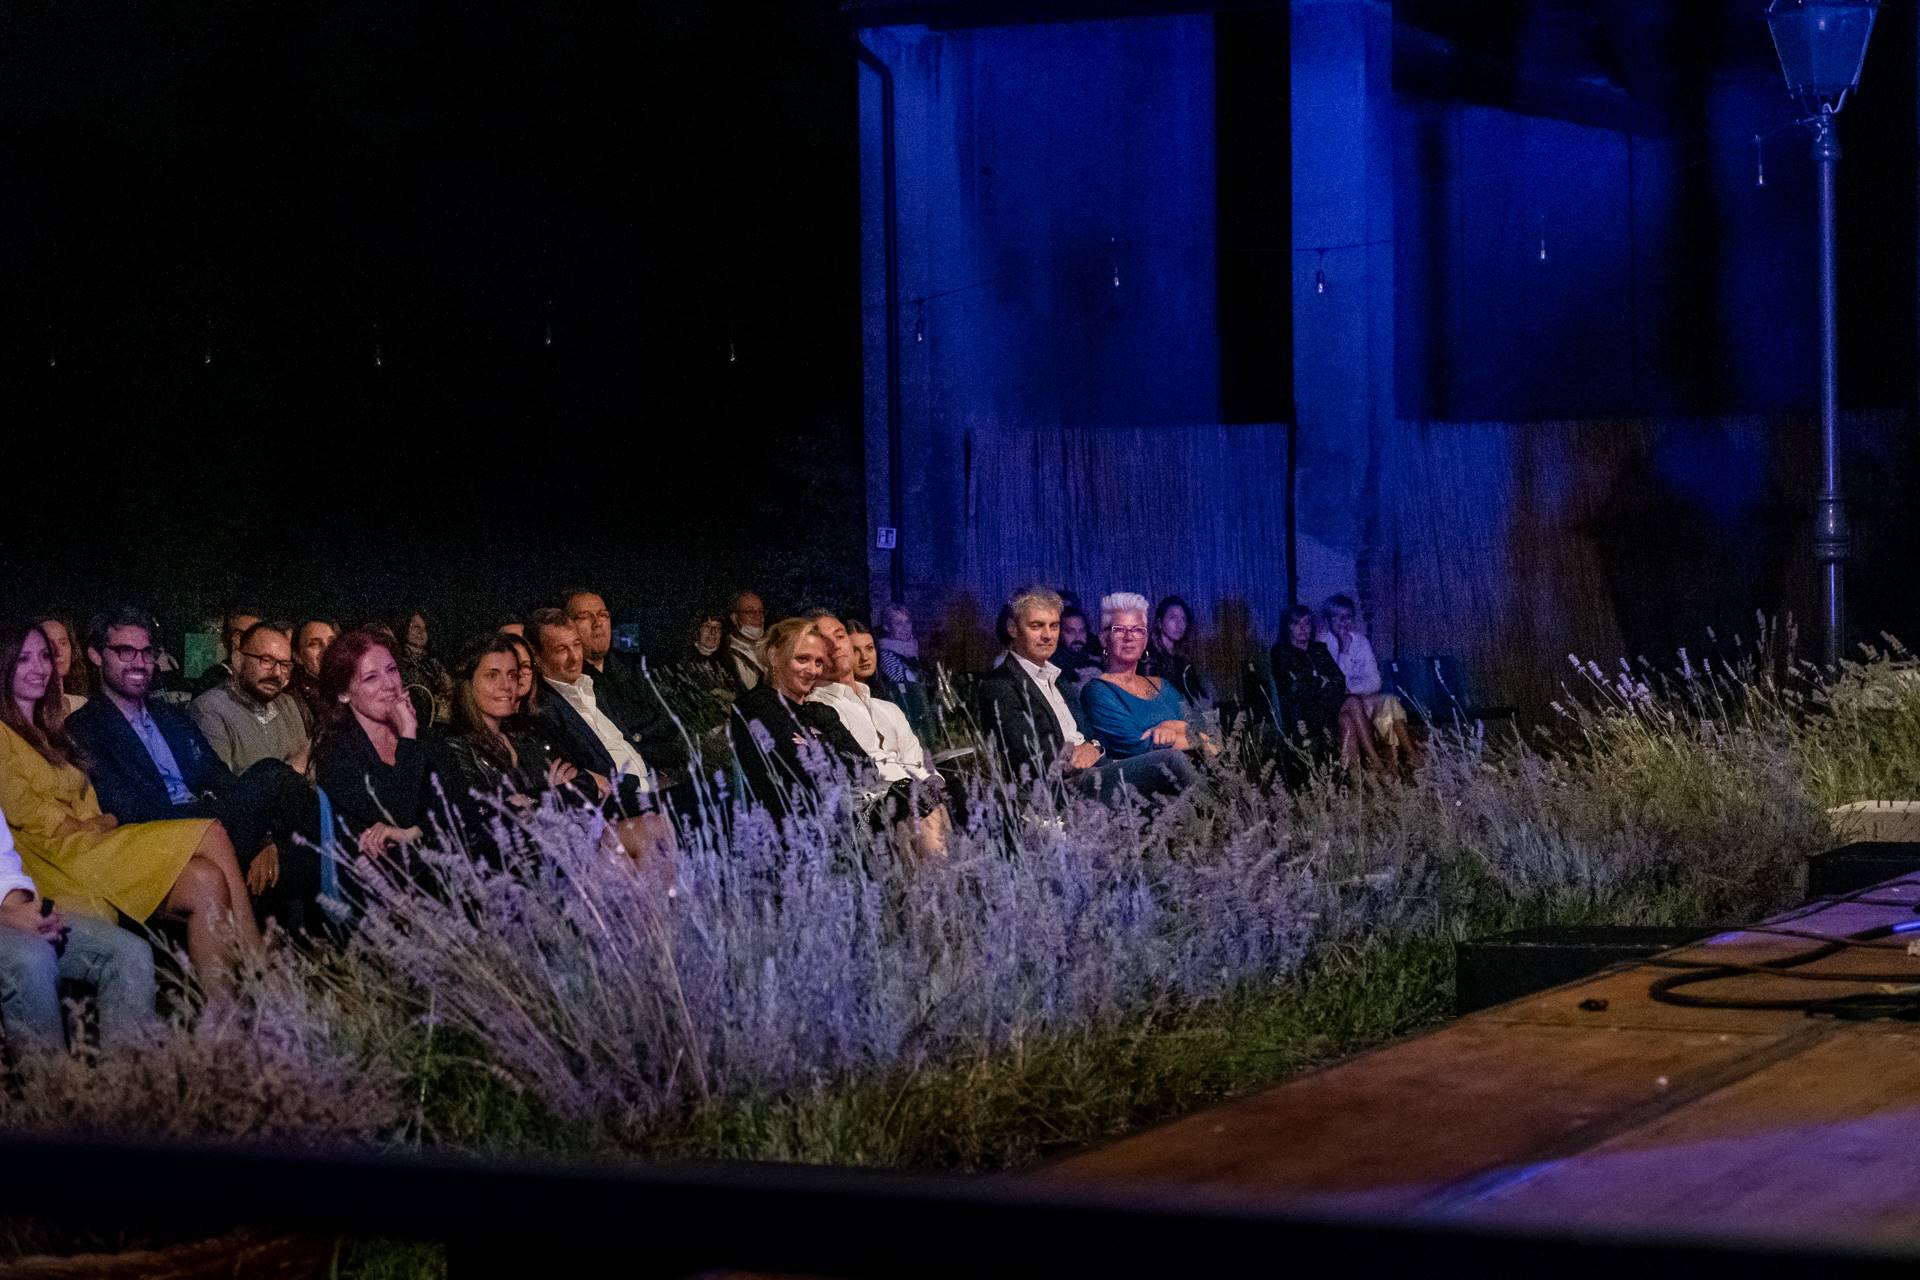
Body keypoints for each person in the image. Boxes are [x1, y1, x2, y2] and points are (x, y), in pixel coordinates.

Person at [0, 623, 259, 985]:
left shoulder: (51, 732)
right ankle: (261, 964)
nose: (40, 667)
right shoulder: (4, 734)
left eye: (44, 657)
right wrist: (91, 824)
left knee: (206, 879)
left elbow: (90, 803)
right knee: (211, 832)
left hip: (92, 840)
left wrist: (97, 822)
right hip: (58, 853)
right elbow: (23, 810)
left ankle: (222, 1010)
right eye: (24, 659)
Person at [68, 608, 322, 933]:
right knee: (273, 775)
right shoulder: (85, 727)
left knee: (296, 850)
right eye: (125, 652)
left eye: (147, 652)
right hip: (157, 832)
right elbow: (124, 807)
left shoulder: (168, 716)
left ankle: (334, 926)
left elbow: (216, 775)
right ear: (95, 655)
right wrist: (208, 822)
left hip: (209, 816)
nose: (139, 662)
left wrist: (263, 838)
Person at [979, 588, 1197, 805]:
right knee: (1171, 761)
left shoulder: (1059, 680)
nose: (1047, 635)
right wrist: (1074, 757)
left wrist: (1093, 747)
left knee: (1176, 799)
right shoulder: (1000, 684)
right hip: (1062, 786)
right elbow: (1023, 754)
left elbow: (1092, 736)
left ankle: (1211, 817)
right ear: (1013, 628)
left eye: (1054, 626)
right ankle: (1217, 814)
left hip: (1099, 768)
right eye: (1036, 626)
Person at [0, 799, 159, 1053]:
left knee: (130, 953)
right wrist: (7, 917)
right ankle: (52, 1078)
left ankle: (127, 1075)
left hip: (10, 913)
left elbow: (4, 864)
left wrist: (29, 915)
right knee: (32, 959)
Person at [521, 611, 676, 860]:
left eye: (576, 645)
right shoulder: (543, 712)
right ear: (538, 657)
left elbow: (626, 744)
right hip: (623, 809)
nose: (574, 657)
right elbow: (592, 779)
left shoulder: (592, 688)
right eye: (561, 649)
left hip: (653, 788)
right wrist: (645, 787)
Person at [426, 634, 590, 869]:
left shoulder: (526, 735)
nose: (506, 685)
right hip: (508, 868)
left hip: (561, 848)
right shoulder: (453, 747)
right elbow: (482, 817)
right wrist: (551, 795)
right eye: (492, 675)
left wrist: (535, 799)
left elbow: (585, 784)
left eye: (512, 675)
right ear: (468, 683)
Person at [806, 613, 950, 859]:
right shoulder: (817, 708)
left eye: (839, 636)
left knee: (958, 791)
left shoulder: (887, 708)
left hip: (913, 794)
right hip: (872, 805)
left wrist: (934, 786)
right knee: (918, 803)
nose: (834, 645)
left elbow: (916, 761)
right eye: (822, 640)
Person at [312, 628, 431, 877]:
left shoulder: (425, 738)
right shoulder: (336, 753)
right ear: (343, 694)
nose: (390, 685)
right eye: (371, 678)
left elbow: (458, 809)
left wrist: (412, 833)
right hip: (383, 881)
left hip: (441, 866)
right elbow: (397, 814)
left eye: (392, 670)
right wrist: (407, 734)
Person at [727, 617, 867, 822]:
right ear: (774, 656)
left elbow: (866, 769)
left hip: (850, 815)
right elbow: (802, 774)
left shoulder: (821, 712)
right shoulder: (754, 707)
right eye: (802, 659)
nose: (813, 670)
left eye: (819, 662)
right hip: (798, 826)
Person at [564, 589, 689, 787]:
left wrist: (636, 735)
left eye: (603, 615)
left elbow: (668, 722)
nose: (597, 623)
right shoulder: (572, 685)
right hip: (633, 784)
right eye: (585, 616)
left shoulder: (632, 669)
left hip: (673, 772)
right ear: (567, 627)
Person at [190, 622, 312, 775]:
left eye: (284, 665)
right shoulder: (209, 710)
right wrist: (294, 769)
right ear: (238, 660)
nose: (277, 673)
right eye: (266, 660)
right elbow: (219, 785)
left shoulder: (287, 703)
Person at [1322, 594, 1417, 772]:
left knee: (1389, 702)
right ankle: (1397, 762)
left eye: (1348, 616)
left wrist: (1354, 691)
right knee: (1381, 712)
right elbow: (1338, 685)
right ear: (1329, 619)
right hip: (1341, 707)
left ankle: (1410, 757)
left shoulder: (1361, 642)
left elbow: (1375, 681)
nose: (1343, 622)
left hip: (1365, 699)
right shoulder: (1322, 644)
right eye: (1337, 617)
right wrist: (1343, 650)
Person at [1270, 604, 1370, 766]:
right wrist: (1322, 681)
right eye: (1296, 623)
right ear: (1287, 627)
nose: (1303, 628)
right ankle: (1377, 763)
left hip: (1327, 707)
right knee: (1352, 702)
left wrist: (1319, 683)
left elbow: (1339, 679)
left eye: (1307, 623)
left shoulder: (1319, 650)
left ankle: (1356, 775)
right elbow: (1296, 687)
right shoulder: (1280, 653)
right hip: (1303, 714)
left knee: (1346, 719)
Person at [1141, 594, 1209, 703]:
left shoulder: (1183, 660)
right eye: (1173, 618)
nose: (1179, 624)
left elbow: (1197, 694)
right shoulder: (1149, 659)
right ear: (1159, 623)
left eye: (1183, 619)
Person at [189, 605, 265, 697]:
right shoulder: (213, 681)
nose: (253, 642)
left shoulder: (266, 679)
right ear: (226, 638)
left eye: (258, 637)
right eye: (241, 636)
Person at [24, 615, 89, 716]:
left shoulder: (82, 704)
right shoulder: (24, 710)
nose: (58, 652)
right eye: (49, 644)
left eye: (63, 643)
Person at [396, 609, 453, 725]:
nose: (421, 632)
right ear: (405, 628)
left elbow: (449, 690)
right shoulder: (395, 662)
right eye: (416, 627)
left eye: (425, 629)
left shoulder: (434, 665)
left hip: (433, 724)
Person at [682, 612, 746, 699]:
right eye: (707, 626)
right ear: (697, 629)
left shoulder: (729, 659)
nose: (713, 632)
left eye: (718, 627)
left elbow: (741, 691)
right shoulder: (684, 658)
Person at [289, 618, 337, 730]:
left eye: (332, 642)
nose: (326, 650)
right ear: (298, 657)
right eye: (314, 644)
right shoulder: (291, 703)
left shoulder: (353, 688)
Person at [726, 591, 769, 692]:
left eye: (761, 611)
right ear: (734, 618)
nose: (758, 616)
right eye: (750, 612)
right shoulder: (725, 655)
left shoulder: (772, 648)